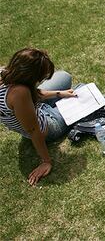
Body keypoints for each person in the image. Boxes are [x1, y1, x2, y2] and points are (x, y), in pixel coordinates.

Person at [0, 48, 76, 186]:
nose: (41, 80)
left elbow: (34, 93)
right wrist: (46, 161)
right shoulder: (19, 93)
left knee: (64, 76)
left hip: (32, 109)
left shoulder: (5, 72)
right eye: (40, 78)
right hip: (47, 125)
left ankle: (59, 101)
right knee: (80, 94)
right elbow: (34, 131)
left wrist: (59, 93)